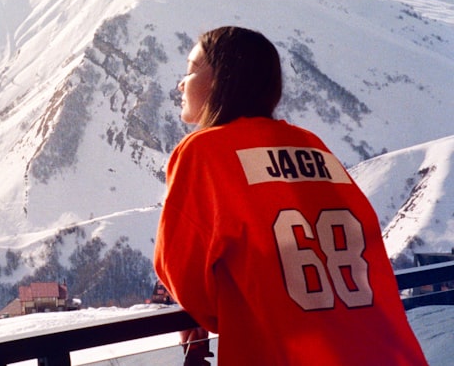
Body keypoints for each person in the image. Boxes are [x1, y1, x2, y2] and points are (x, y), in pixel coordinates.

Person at [154, 26, 428, 365]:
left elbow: (184, 276)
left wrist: (236, 312)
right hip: (388, 351)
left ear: (221, 78)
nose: (182, 83)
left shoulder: (203, 151)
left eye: (192, 69)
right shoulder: (311, 144)